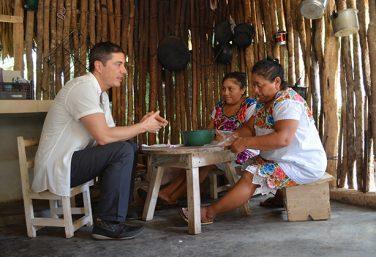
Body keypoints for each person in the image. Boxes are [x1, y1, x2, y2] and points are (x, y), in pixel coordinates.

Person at [32, 42, 168, 240]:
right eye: (118, 64)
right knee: (122, 150)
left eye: (124, 65)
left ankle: (118, 212)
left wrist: (140, 124)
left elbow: (110, 133)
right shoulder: (82, 88)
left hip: (71, 162)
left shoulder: (100, 95)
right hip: (57, 166)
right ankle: (108, 224)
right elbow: (104, 138)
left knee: (128, 146)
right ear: (99, 66)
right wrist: (143, 127)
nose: (124, 71)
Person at [179, 58, 327, 224]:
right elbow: (250, 129)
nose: (255, 90)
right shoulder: (262, 103)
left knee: (252, 174)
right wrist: (231, 138)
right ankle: (279, 197)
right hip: (284, 158)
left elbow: (283, 139)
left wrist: (246, 143)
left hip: (303, 164)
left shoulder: (287, 102)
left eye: (259, 85)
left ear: (276, 82)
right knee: (246, 164)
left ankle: (208, 213)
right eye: (253, 85)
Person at [148, 72, 258, 205]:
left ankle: (170, 194)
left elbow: (249, 130)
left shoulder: (250, 105)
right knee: (198, 159)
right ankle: (168, 194)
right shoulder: (219, 107)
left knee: (206, 162)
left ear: (242, 90)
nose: (226, 92)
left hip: (241, 149)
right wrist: (212, 135)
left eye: (230, 89)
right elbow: (209, 129)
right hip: (219, 147)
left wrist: (228, 137)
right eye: (223, 88)